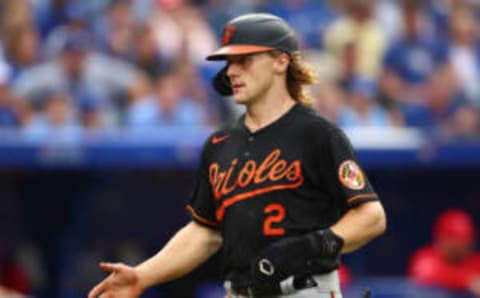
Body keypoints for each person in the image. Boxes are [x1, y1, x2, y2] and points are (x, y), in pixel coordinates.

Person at [88, 13, 386, 298]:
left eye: (245, 60)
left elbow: (371, 217)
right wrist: (143, 275)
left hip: (305, 290)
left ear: (281, 61)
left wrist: (313, 245)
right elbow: (205, 232)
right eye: (230, 62)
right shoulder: (220, 143)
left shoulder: (317, 134)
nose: (232, 70)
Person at [408, 209, 480, 295]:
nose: (461, 248)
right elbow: (426, 273)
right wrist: (467, 280)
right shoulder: (426, 259)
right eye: (455, 243)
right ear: (441, 239)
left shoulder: (475, 261)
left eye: (465, 242)